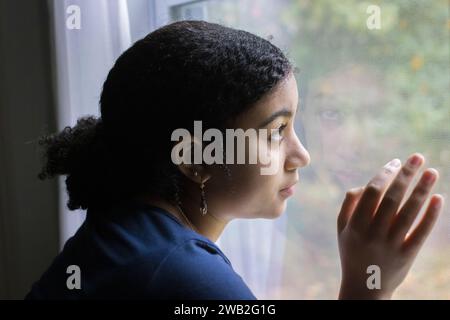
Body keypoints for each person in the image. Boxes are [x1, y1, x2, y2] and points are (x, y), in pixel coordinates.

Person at [26, 20, 443, 300]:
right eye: (276, 132)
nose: (301, 155)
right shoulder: (182, 275)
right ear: (195, 157)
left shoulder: (125, 231)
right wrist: (367, 285)